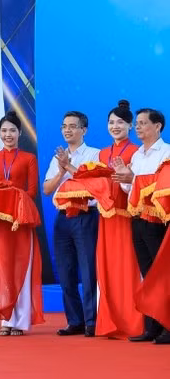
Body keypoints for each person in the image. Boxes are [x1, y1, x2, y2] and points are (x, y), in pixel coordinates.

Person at [113, 108, 170, 344]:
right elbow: (130, 190)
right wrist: (125, 177)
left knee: (163, 275)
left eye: (143, 123)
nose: (137, 127)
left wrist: (132, 179)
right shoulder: (137, 155)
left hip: (157, 220)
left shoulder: (166, 153)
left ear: (157, 127)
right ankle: (152, 327)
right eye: (136, 123)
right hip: (136, 218)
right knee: (147, 275)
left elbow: (161, 185)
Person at [42, 112, 101, 337]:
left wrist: (69, 168)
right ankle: (74, 321)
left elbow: (95, 186)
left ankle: (91, 321)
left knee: (87, 271)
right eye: (64, 126)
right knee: (65, 272)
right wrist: (60, 171)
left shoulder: (94, 154)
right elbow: (47, 189)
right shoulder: (58, 156)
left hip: (86, 215)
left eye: (73, 126)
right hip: (63, 217)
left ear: (84, 130)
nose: (68, 130)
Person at [0, 112, 41, 336]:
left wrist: (10, 191)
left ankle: (20, 321)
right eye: (4, 131)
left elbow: (33, 191)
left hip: (21, 220)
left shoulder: (29, 158)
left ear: (20, 133)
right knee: (2, 267)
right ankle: (6, 319)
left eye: (12, 130)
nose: (8, 135)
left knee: (21, 267)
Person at [94, 101, 142, 338]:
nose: (115, 126)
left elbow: (137, 184)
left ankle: (133, 323)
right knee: (108, 270)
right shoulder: (102, 153)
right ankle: (110, 323)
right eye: (111, 122)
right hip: (106, 219)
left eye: (120, 123)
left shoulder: (137, 151)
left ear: (130, 126)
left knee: (129, 270)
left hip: (127, 217)